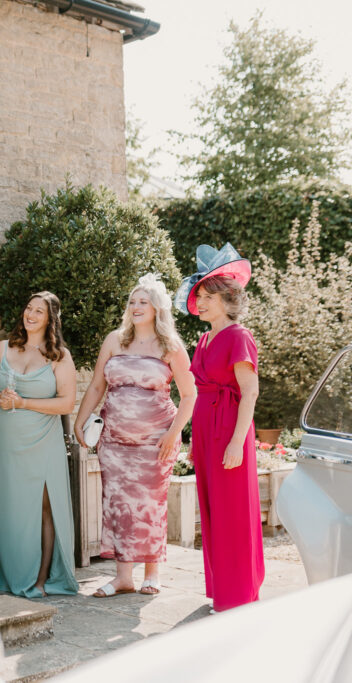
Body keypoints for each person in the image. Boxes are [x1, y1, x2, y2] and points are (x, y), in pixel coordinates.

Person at [74, 274, 196, 598]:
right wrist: (80, 419)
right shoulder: (114, 340)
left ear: (157, 308)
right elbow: (97, 385)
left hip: (156, 441)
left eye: (144, 302)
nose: (136, 306)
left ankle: (152, 573)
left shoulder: (171, 346)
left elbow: (189, 395)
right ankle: (123, 577)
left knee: (149, 506)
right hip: (114, 442)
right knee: (117, 504)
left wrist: (173, 433)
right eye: (132, 301)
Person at [0, 292, 79, 598]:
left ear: (51, 319)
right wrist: (0, 399)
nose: (30, 315)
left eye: (39, 311)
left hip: (42, 443)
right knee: (6, 506)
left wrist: (24, 402)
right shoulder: (3, 348)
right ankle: (4, 571)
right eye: (29, 308)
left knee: (43, 509)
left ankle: (40, 578)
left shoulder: (60, 357)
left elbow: (66, 403)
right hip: (5, 443)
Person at [175, 243, 263, 612]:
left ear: (228, 300)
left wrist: (236, 442)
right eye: (199, 296)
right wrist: (195, 442)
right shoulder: (203, 338)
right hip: (206, 429)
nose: (201, 302)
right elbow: (199, 392)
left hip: (229, 430)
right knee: (212, 511)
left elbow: (250, 392)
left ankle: (239, 594)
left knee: (233, 513)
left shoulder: (239, 336)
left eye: (209, 297)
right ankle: (222, 589)